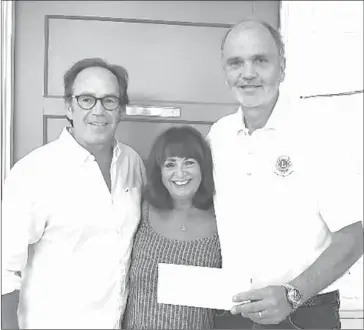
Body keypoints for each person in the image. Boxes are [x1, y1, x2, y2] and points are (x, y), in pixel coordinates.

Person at [207, 19, 363, 329]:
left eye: (260, 60)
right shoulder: (218, 135)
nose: (247, 73)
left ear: (283, 66)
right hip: (233, 313)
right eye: (236, 62)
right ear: (225, 72)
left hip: (304, 311)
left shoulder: (321, 131)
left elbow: (354, 234)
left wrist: (293, 294)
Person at [1, 58, 146, 329]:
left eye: (109, 100)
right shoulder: (33, 172)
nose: (98, 110)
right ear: (69, 107)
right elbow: (4, 268)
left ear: (121, 109)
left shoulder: (132, 162)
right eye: (86, 99)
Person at [122, 126, 222, 329]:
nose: (180, 173)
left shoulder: (223, 219)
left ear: (203, 167)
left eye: (189, 162)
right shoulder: (140, 210)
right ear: (159, 171)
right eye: (170, 164)